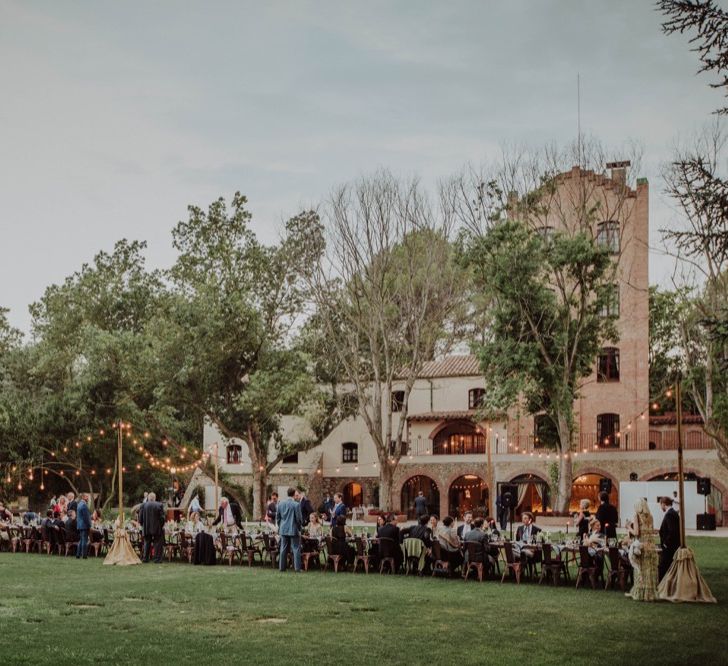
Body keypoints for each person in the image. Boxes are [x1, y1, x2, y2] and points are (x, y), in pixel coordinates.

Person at [626, 498, 658, 601]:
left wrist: (628, 527)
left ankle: (640, 593)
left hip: (641, 545)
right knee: (649, 570)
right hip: (651, 545)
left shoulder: (637, 516)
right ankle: (649, 594)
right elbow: (652, 531)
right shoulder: (651, 516)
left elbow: (636, 533)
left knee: (640, 569)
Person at [276, 487, 303, 572]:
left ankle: (282, 567)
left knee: (283, 548)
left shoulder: (280, 503)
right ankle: (297, 568)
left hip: (283, 529)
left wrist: (280, 526)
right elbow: (299, 519)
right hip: (293, 528)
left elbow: (278, 518)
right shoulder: (296, 504)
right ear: (293, 494)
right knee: (296, 548)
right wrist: (299, 528)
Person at [139, 492, 165, 563]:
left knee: (147, 542)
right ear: (155, 498)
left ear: (148, 498)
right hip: (157, 527)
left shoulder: (143, 505)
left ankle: (145, 558)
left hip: (146, 527)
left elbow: (140, 518)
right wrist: (161, 526)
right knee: (157, 543)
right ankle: (157, 559)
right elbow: (162, 518)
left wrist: (142, 525)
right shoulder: (159, 505)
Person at [659, 496, 680, 580]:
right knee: (667, 567)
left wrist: (665, 544)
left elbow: (672, 531)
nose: (661, 507)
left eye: (660, 505)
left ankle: (661, 586)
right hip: (672, 546)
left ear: (663, 504)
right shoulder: (673, 513)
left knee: (663, 567)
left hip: (669, 547)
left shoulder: (669, 514)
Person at [75, 493, 92, 559]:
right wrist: (89, 525)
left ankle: (78, 554)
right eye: (87, 497)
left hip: (80, 525)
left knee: (81, 540)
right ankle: (84, 555)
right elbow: (86, 517)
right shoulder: (84, 505)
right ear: (84, 497)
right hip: (84, 525)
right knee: (84, 540)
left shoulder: (79, 504)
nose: (88, 498)